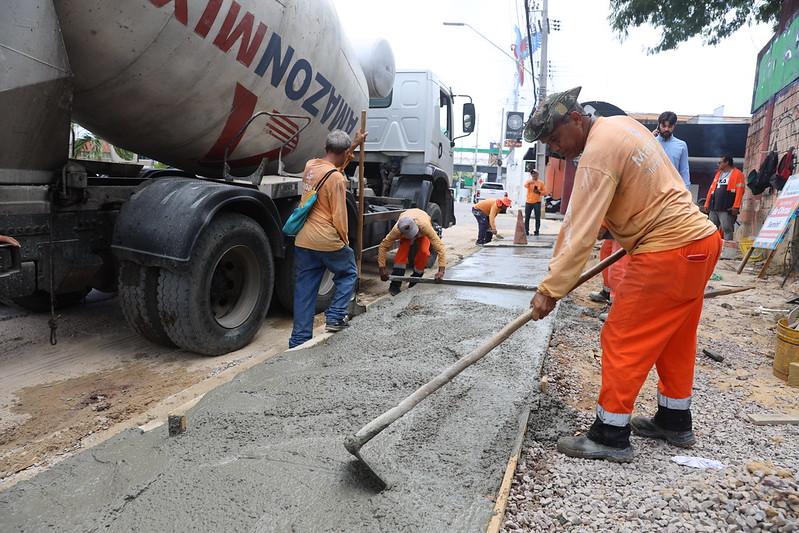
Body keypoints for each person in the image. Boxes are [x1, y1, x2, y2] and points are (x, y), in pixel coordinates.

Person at [524, 87, 721, 462]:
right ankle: (675, 420)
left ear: (576, 119)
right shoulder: (623, 126)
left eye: (554, 138)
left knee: (623, 336)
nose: (555, 149)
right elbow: (640, 192)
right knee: (675, 337)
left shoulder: (597, 153)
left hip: (667, 250)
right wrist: (610, 226)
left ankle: (610, 434)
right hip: (701, 241)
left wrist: (550, 289)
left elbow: (577, 231)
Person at [288, 129, 366, 349]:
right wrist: (345, 243)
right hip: (326, 239)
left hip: (303, 239)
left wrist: (354, 145)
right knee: (348, 272)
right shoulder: (337, 179)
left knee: (305, 289)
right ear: (343, 153)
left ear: (326, 148)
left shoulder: (310, 166)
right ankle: (335, 316)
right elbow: (339, 216)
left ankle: (298, 340)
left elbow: (334, 166)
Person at [377, 209, 447, 295]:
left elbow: (440, 247)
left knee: (424, 252)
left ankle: (415, 280)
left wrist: (441, 271)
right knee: (401, 254)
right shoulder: (397, 230)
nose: (414, 237)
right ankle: (395, 284)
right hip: (406, 228)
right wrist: (382, 268)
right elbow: (383, 246)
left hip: (422, 226)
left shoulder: (425, 227)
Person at [704, 155, 745, 241]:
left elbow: (740, 191)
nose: (718, 164)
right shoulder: (718, 174)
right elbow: (711, 189)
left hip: (726, 207)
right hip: (714, 206)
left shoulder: (738, 174)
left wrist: (736, 206)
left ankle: (726, 249)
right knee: (712, 228)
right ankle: (713, 247)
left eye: (720, 162)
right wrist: (707, 203)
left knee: (727, 229)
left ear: (726, 162)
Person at [653, 111, 690, 188]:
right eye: (663, 126)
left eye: (670, 126)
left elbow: (684, 171)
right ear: (658, 125)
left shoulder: (681, 145)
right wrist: (648, 139)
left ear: (674, 126)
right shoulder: (650, 142)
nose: (666, 129)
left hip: (672, 190)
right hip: (652, 190)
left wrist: (686, 191)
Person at [523, 170, 547, 236]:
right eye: (532, 174)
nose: (534, 175)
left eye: (535, 174)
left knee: (537, 217)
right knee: (527, 217)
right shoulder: (529, 182)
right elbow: (525, 185)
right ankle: (526, 230)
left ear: (537, 175)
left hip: (537, 202)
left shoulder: (541, 183)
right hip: (528, 202)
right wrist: (530, 182)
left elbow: (545, 192)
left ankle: (537, 231)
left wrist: (539, 192)